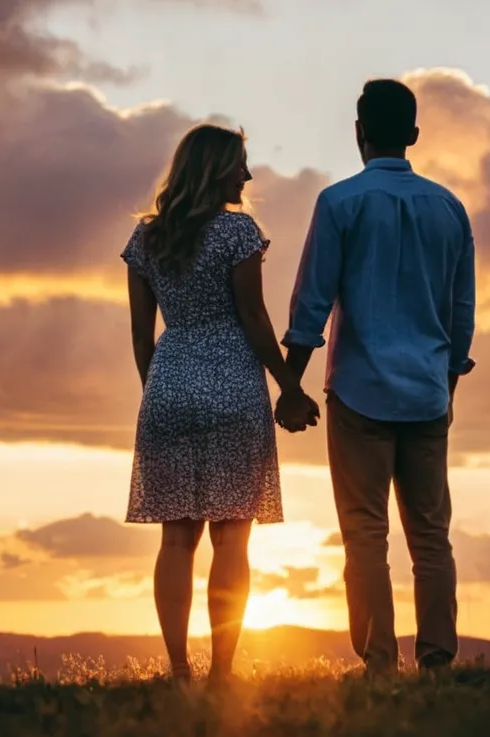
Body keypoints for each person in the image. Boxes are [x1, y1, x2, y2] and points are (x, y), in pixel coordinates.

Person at [277, 79, 477, 674]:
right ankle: (438, 658)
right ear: (413, 135)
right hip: (427, 390)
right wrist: (449, 381)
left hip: (361, 391)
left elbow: (311, 303)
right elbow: (460, 309)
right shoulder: (449, 207)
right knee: (431, 536)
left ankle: (380, 661)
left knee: (365, 533)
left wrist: (291, 387)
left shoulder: (340, 202)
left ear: (359, 131)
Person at [121, 124, 320, 682]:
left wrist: (157, 390)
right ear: (216, 170)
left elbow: (141, 335)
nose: (248, 175)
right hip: (234, 383)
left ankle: (179, 668)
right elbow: (254, 318)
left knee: (176, 539)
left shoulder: (147, 239)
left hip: (168, 384)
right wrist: (290, 385)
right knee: (233, 534)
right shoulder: (238, 233)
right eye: (241, 165)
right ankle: (222, 671)